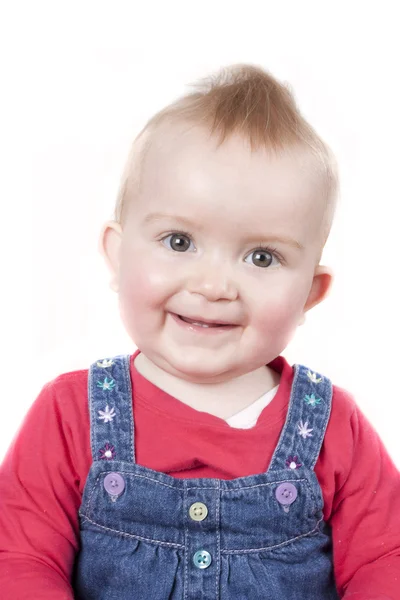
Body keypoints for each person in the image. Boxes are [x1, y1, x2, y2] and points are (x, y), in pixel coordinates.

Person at [0, 64, 399, 600]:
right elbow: (21, 560)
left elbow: (384, 563)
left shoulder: (332, 428)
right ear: (117, 256)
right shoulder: (70, 415)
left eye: (262, 256)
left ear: (310, 293)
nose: (214, 286)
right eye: (179, 241)